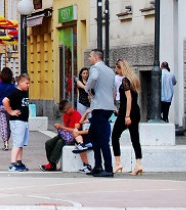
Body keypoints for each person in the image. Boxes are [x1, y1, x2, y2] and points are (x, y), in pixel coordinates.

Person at [84, 49, 116, 177]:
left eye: (90, 56)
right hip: (108, 106)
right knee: (94, 136)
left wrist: (88, 88)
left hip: (99, 107)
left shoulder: (95, 68)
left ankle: (107, 168)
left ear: (96, 58)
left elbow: (94, 78)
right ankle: (98, 166)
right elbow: (113, 89)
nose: (89, 58)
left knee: (102, 139)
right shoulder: (110, 70)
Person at [111, 58, 144, 176]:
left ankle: (117, 163)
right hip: (136, 110)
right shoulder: (133, 79)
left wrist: (126, 115)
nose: (116, 71)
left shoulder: (125, 80)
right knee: (135, 138)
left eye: (117, 69)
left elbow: (128, 99)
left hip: (127, 111)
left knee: (115, 135)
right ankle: (138, 164)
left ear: (121, 68)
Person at [41, 99, 91, 172]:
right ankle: (51, 163)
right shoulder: (65, 115)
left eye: (66, 111)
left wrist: (61, 127)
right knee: (48, 143)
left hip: (74, 137)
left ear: (70, 108)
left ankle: (52, 163)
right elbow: (66, 129)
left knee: (60, 143)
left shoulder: (76, 115)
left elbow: (75, 130)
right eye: (64, 112)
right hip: (66, 135)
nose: (65, 113)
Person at [3, 73, 31, 172]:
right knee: (17, 142)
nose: (28, 85)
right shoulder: (15, 92)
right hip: (17, 121)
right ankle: (13, 163)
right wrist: (10, 111)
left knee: (21, 143)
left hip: (23, 121)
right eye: (26, 83)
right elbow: (5, 101)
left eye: (29, 83)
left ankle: (19, 161)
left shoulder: (24, 92)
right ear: (20, 83)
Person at [0, 67, 16, 150]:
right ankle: (7, 139)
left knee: (3, 125)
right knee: (9, 125)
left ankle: (5, 142)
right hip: (10, 107)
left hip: (0, 106)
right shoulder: (13, 86)